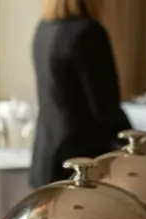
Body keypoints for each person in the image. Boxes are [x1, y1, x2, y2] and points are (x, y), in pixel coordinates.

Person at [29, 0, 132, 188]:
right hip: (79, 163)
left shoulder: (43, 29)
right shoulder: (88, 32)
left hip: (45, 158)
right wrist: (136, 145)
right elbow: (105, 109)